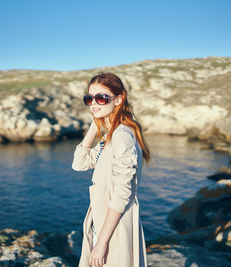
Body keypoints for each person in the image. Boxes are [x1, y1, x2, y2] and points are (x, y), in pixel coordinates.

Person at [72, 72, 151, 267]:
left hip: (114, 227)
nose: (93, 103)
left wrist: (101, 243)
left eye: (101, 98)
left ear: (118, 99)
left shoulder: (122, 135)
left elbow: (122, 192)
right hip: (103, 222)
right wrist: (95, 121)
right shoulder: (110, 137)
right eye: (89, 99)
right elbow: (79, 164)